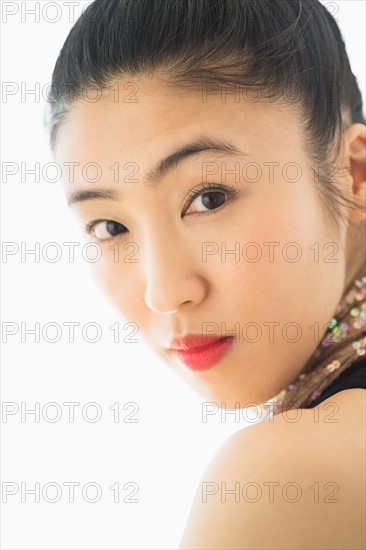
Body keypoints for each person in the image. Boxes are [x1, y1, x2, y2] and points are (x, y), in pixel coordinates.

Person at [46, 0, 366, 547]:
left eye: (208, 198)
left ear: (353, 173)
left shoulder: (286, 480)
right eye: (108, 227)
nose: (165, 293)